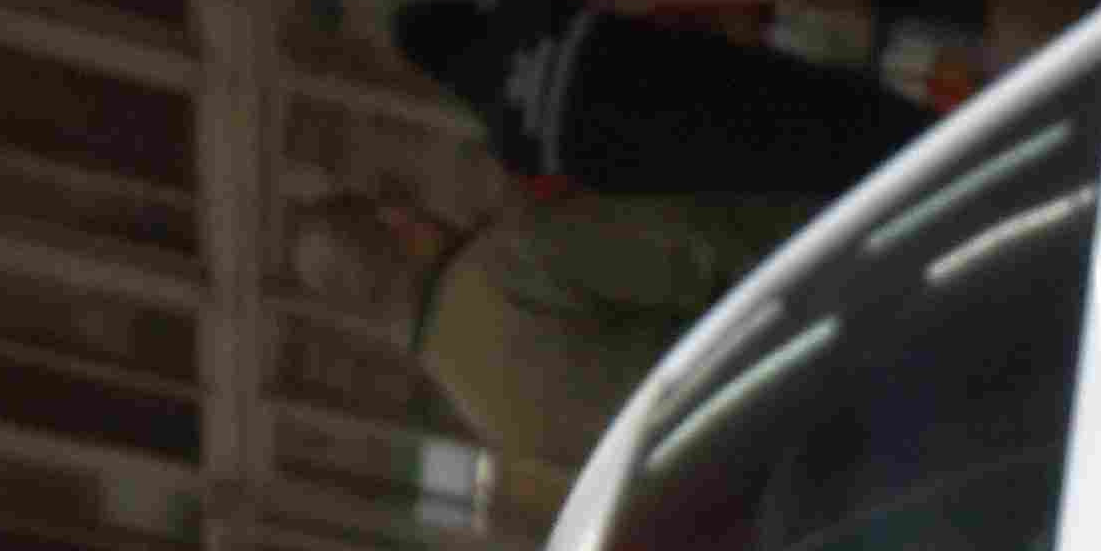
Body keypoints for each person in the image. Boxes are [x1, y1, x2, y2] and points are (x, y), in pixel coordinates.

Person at [287, 187, 813, 480]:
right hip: (804, 354)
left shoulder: (472, 403)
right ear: (397, 220)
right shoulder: (506, 260)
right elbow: (704, 248)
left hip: (763, 455)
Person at [389, 0, 930, 201]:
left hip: (720, 171)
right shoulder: (526, 5)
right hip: (729, 82)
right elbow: (646, 3)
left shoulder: (515, 147)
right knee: (868, 119)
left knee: (846, 180)